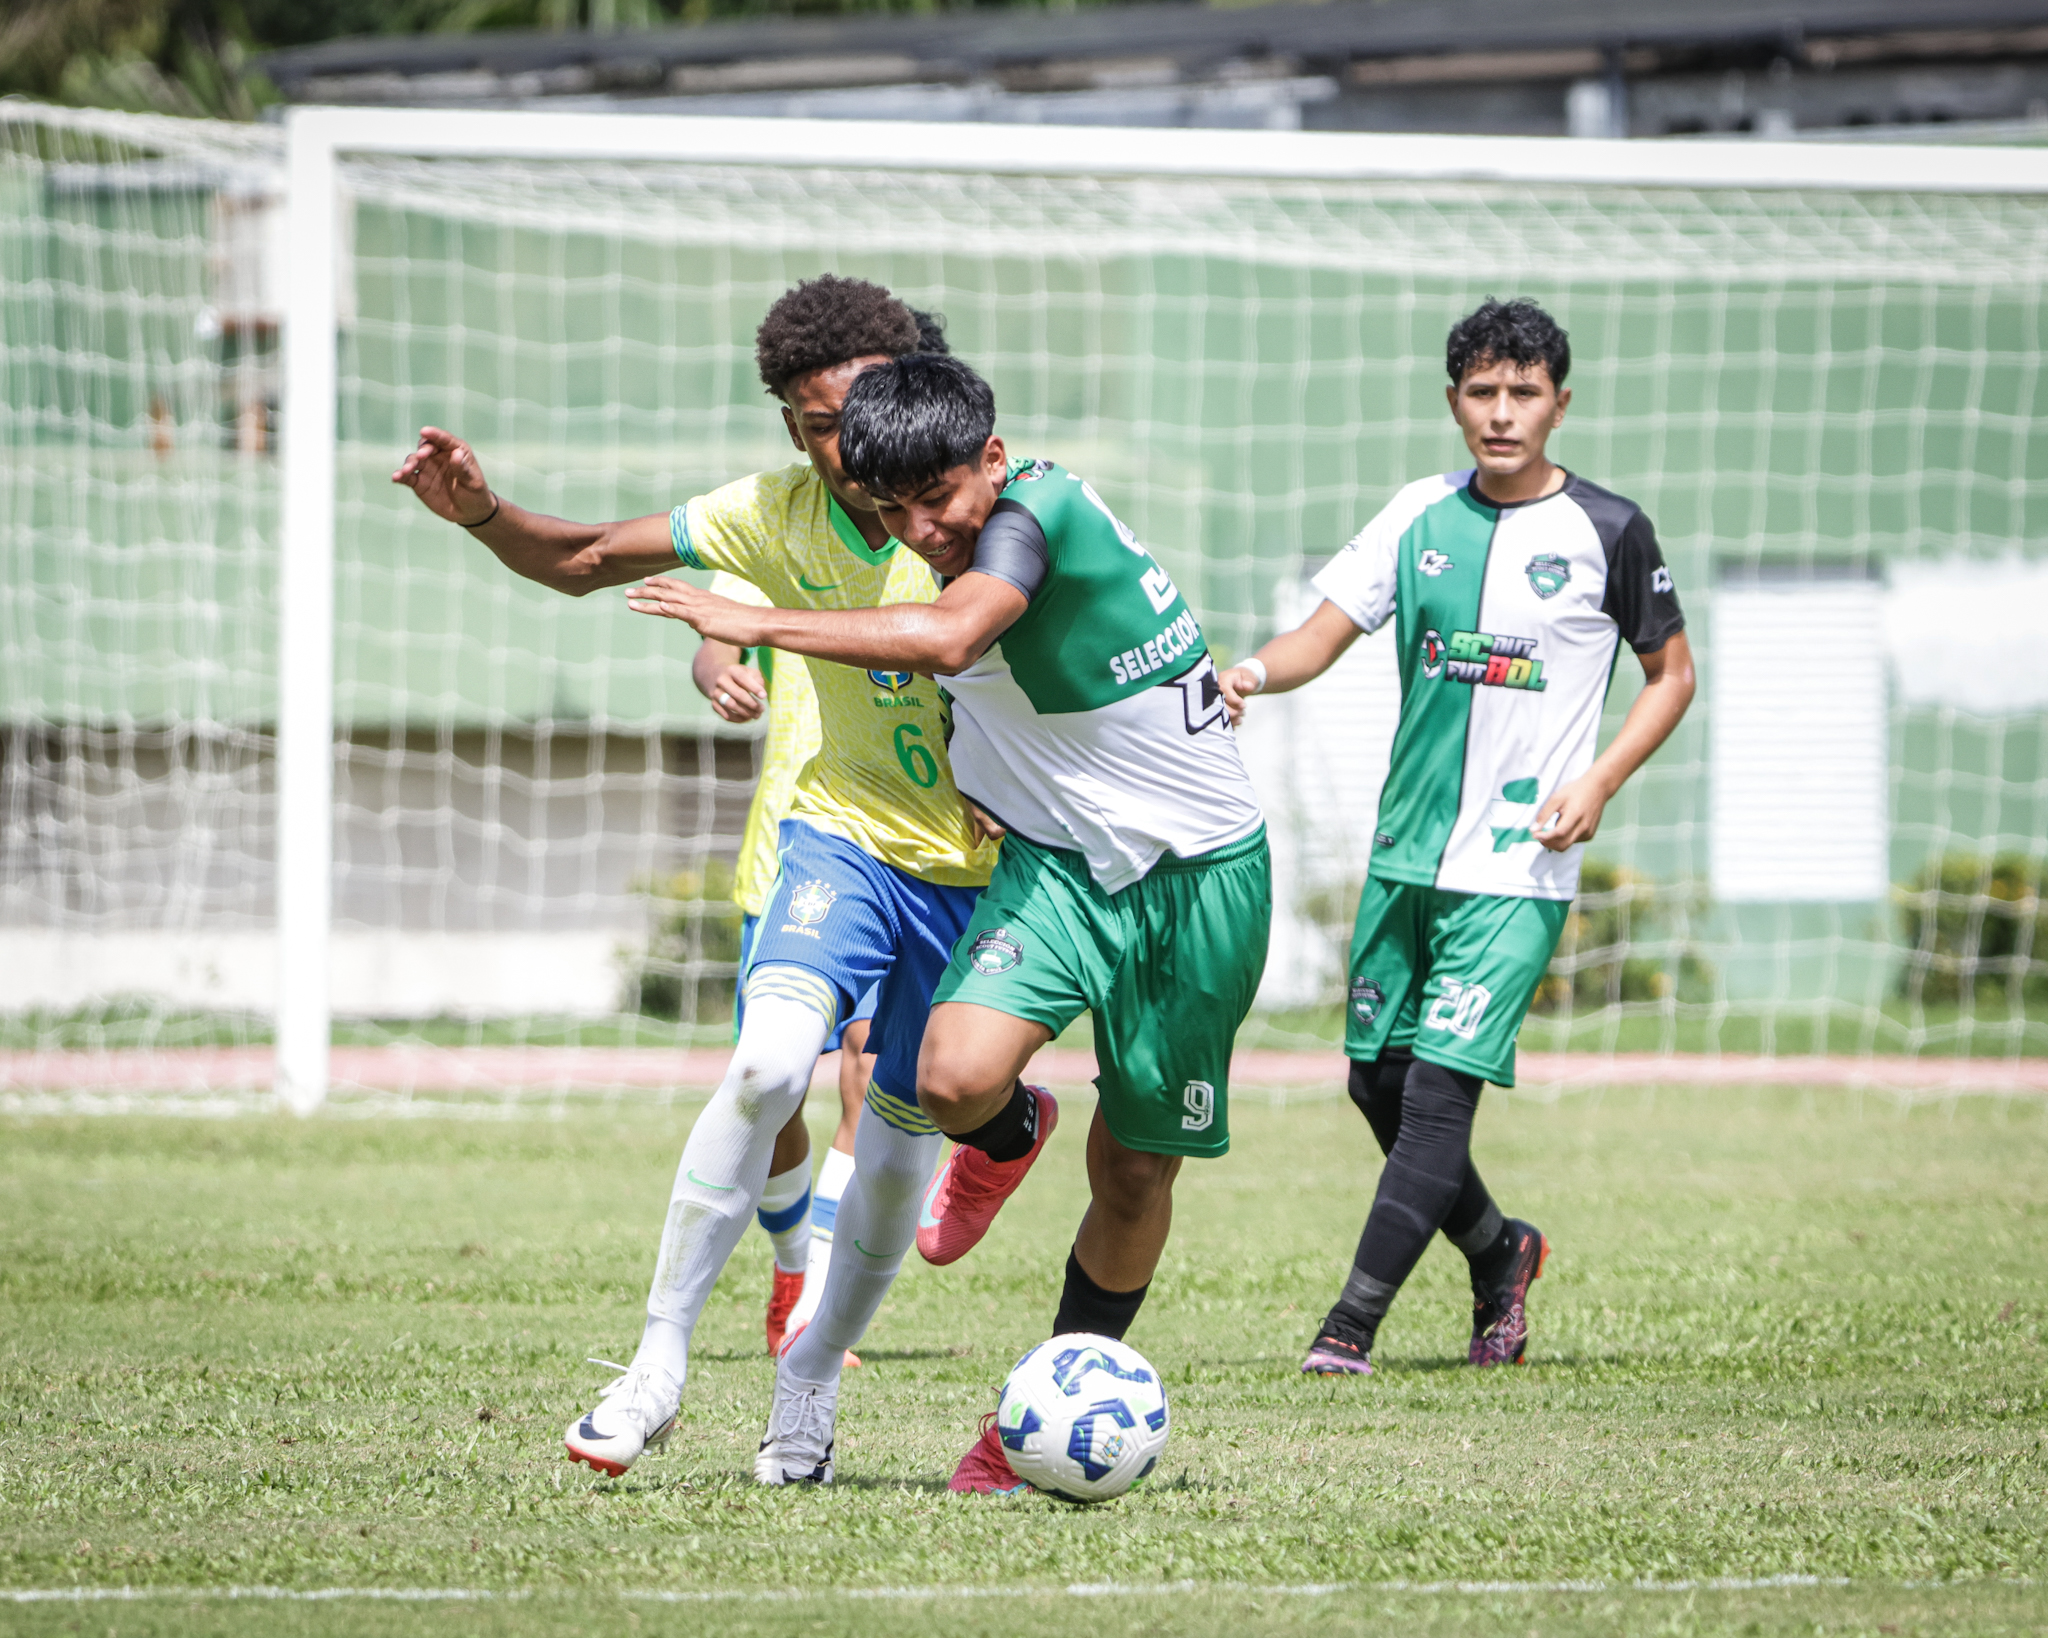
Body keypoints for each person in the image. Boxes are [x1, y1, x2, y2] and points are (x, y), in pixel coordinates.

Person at [626, 353, 1271, 1492]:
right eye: (893, 511)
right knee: (948, 1081)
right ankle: (1008, 1135)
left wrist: (751, 621)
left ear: (992, 460)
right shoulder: (927, 545)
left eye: (938, 500)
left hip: (1198, 879)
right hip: (1060, 872)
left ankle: (1043, 1407)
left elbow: (949, 641)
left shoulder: (1035, 515)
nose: (921, 531)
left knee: (1133, 1174)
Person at [392, 277, 996, 1478]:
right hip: (842, 837)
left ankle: (808, 1379)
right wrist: (482, 513)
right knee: (768, 1066)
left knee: (891, 1154)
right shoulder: (769, 516)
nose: (846, 450)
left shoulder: (988, 520)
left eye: (860, 418)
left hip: (983, 879)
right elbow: (582, 558)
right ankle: (653, 1368)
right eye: (816, 427)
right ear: (789, 428)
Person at [1218, 298, 1696, 1377]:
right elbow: (1318, 637)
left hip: (1519, 866)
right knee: (1375, 1086)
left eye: (1523, 392)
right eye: (1482, 391)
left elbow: (1670, 676)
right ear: (1453, 402)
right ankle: (1499, 1250)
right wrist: (1248, 671)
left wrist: (1600, 778)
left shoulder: (1609, 530)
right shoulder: (1416, 514)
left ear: (1559, 404)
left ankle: (1347, 1330)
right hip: (1406, 856)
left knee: (1437, 1096)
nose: (1501, 412)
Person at [699, 310, 952, 1357]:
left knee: (872, 1070)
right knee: (768, 1087)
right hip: (799, 834)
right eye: (819, 421)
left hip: (921, 846)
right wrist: (718, 666)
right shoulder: (782, 525)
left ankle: (819, 1305)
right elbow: (719, 626)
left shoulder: (943, 523)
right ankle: (793, 1257)